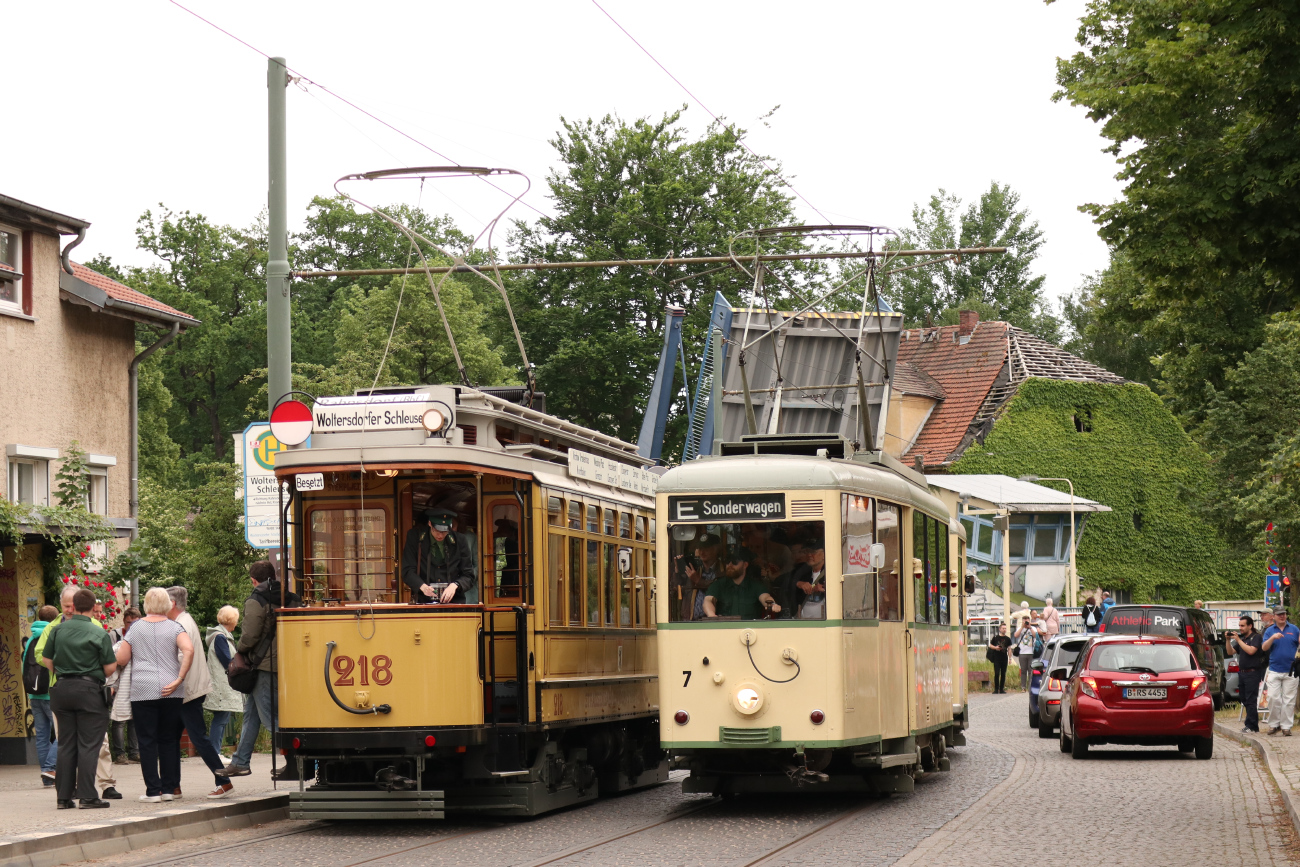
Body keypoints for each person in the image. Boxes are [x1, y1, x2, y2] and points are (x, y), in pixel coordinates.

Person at [224, 561, 301, 778]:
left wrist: (240, 649)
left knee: (271, 718)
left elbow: (249, 635)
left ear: (253, 580)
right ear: (273, 576)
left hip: (264, 665)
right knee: (252, 715)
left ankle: (296, 765)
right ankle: (240, 762)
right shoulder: (292, 598)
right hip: (288, 663)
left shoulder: (256, 600)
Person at [41, 588, 116, 809]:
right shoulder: (98, 633)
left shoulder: (57, 630)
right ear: (94, 607)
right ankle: (87, 796)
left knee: (65, 743)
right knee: (89, 744)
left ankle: (63, 797)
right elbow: (110, 667)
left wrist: (63, 672)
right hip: (89, 692)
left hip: (62, 689)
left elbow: (46, 659)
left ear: (72, 606)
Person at [117, 587, 192, 802]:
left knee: (147, 740)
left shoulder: (135, 628)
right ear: (168, 605)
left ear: (147, 605)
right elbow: (189, 650)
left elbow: (122, 659)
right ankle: (169, 789)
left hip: (143, 690)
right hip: (172, 689)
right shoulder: (175, 627)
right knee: (169, 739)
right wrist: (180, 677)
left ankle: (153, 791)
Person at [167, 587, 234, 799]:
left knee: (198, 738)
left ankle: (223, 781)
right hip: (187, 689)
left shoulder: (180, 625)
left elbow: (180, 657)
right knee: (171, 737)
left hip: (187, 690)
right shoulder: (185, 621)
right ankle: (173, 786)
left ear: (172, 604)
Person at [401, 509, 476, 604]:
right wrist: (422, 586)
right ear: (429, 524)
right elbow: (407, 570)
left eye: (444, 532)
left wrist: (455, 585)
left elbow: (468, 575)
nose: (440, 535)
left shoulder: (460, 540)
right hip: (423, 602)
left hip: (454, 602)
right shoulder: (415, 537)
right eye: (436, 530)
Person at [203, 605, 242, 763]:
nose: (237, 624)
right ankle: (214, 753)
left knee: (222, 717)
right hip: (221, 686)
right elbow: (227, 661)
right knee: (221, 718)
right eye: (236, 620)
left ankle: (215, 751)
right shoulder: (220, 638)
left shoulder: (220, 636)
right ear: (231, 620)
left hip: (222, 685)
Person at [26, 605, 60, 787]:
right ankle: (49, 768)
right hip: (49, 694)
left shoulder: (31, 638)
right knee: (63, 733)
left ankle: (47, 776)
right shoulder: (51, 635)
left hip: (34, 694)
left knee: (42, 735)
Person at [703, 549, 781, 620]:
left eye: (734, 561)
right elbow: (708, 600)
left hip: (750, 631)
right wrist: (712, 615)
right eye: (727, 561)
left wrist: (772, 605)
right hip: (725, 630)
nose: (730, 565)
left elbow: (766, 597)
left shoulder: (755, 585)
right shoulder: (718, 584)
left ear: (745, 565)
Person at [109, 608, 141, 765]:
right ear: (124, 621)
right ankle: (120, 754)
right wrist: (112, 684)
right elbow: (112, 662)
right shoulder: (115, 636)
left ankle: (134, 752)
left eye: (135, 622)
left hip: (135, 684)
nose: (132, 626)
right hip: (119, 684)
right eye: (129, 622)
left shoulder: (140, 637)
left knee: (134, 719)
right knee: (119, 719)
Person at [1262, 607, 1300, 736]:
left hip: (1292, 670)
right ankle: (1274, 724)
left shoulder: (1294, 629)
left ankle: (1286, 727)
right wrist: (1273, 638)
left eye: (1283, 614)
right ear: (1274, 616)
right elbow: (1264, 647)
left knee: (1289, 700)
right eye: (1279, 614)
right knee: (1273, 698)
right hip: (1274, 669)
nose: (1282, 616)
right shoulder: (1270, 630)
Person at [1228, 615, 1267, 733]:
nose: (1240, 628)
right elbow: (1230, 651)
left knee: (1251, 699)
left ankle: (1251, 725)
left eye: (1243, 626)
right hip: (1242, 673)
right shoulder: (1243, 639)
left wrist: (1238, 640)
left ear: (1250, 626)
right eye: (1239, 626)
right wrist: (1227, 640)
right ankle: (1253, 725)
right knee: (1244, 698)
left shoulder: (1256, 637)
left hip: (1253, 673)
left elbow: (1251, 651)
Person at [680, 534, 722, 621]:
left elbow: (720, 589)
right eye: (700, 548)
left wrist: (699, 581)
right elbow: (683, 592)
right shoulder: (695, 569)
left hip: (716, 622)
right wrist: (677, 572)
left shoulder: (723, 569)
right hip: (693, 622)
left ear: (716, 549)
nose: (702, 552)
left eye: (706, 549)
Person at [795, 542, 827, 620]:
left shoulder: (830, 574)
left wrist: (824, 589)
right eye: (807, 552)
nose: (809, 555)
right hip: (804, 622)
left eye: (813, 552)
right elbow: (787, 583)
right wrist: (799, 583)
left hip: (823, 624)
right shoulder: (803, 574)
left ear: (824, 555)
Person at [1014, 616, 1039, 690]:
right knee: (1023, 670)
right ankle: (1023, 687)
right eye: (1024, 620)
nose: (1026, 621)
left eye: (1027, 620)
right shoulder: (1020, 628)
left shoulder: (1033, 628)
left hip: (1031, 652)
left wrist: (1030, 627)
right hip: (1022, 652)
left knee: (1031, 670)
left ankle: (1030, 686)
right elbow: (1016, 635)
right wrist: (1022, 627)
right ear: (1022, 621)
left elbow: (1035, 636)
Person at [987, 624, 1012, 694]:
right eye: (1003, 628)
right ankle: (996, 689)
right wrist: (996, 648)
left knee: (1003, 673)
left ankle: (1001, 689)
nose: (1004, 630)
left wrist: (1010, 658)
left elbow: (1009, 649)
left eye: (1005, 628)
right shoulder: (995, 638)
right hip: (996, 658)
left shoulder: (1008, 639)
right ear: (1000, 629)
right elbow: (990, 645)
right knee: (997, 673)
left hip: (1004, 658)